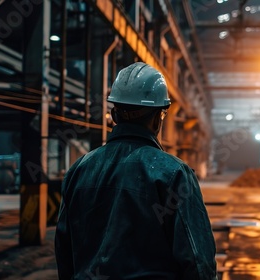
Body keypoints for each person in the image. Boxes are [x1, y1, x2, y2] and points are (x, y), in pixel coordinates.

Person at [55, 62, 217, 279]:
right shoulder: (174, 174)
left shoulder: (79, 169)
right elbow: (198, 262)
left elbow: (64, 251)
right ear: (158, 117)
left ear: (114, 115)